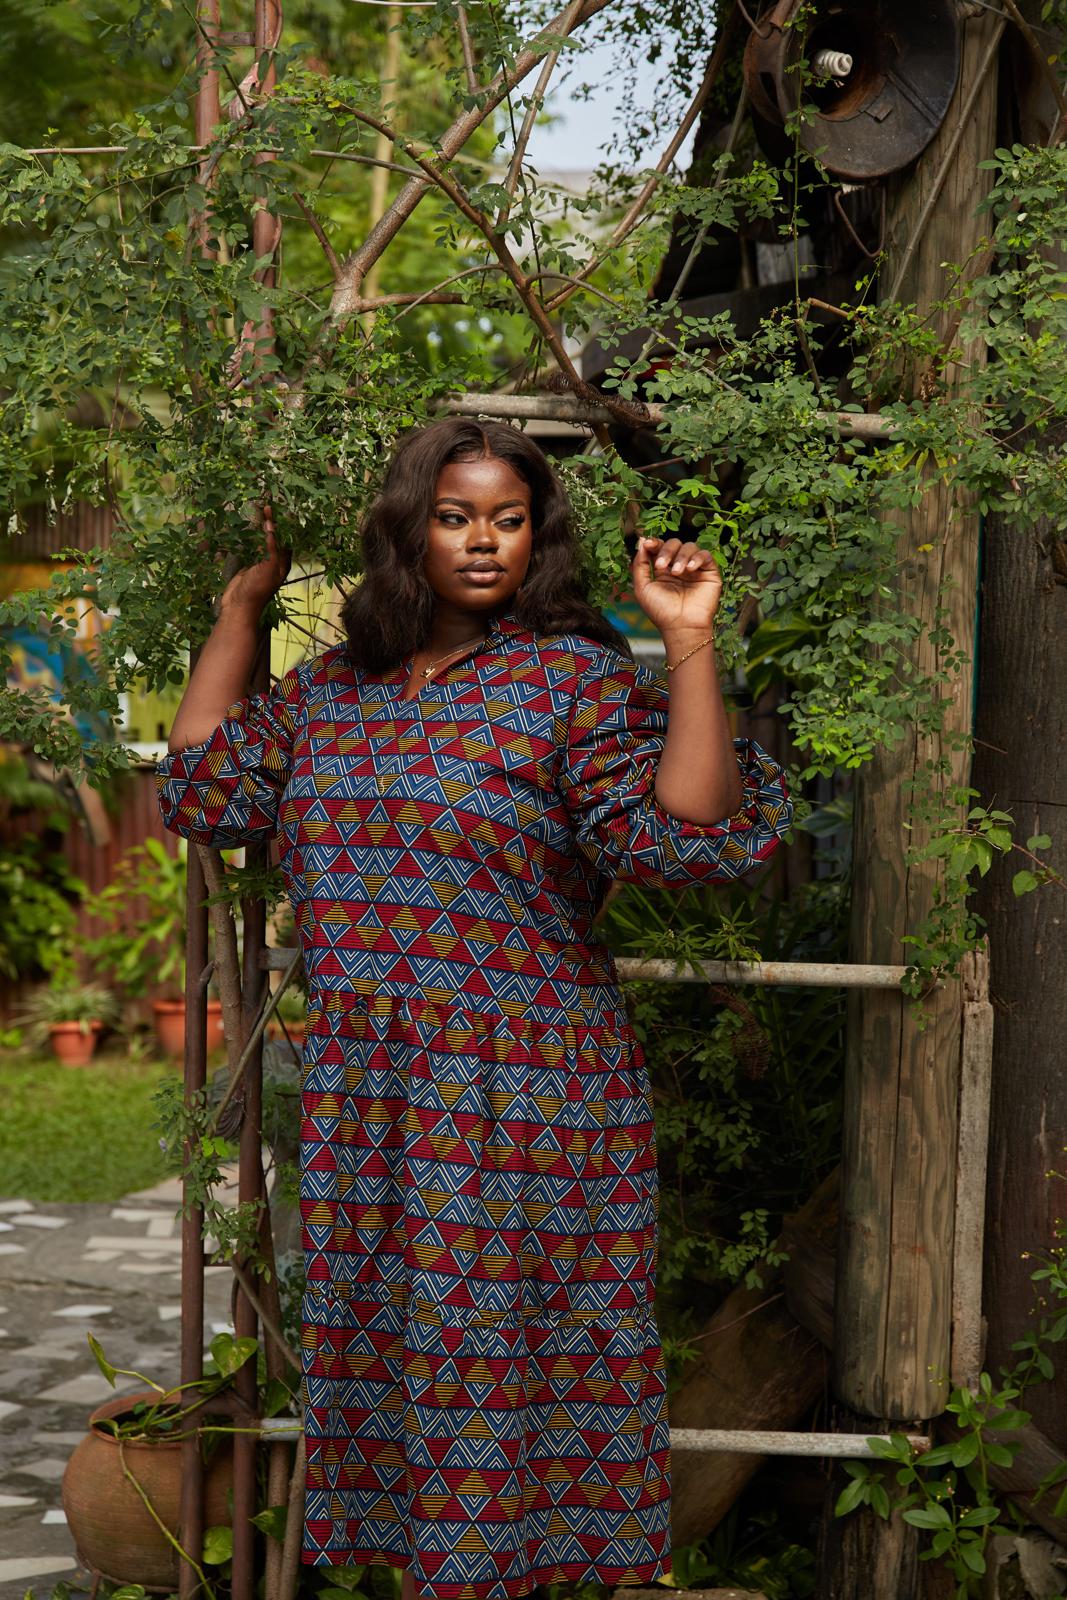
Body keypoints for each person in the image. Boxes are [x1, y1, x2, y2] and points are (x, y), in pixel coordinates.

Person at [158, 417, 792, 1599]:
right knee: (400, 1384)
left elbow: (685, 835)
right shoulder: (331, 693)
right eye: (454, 517)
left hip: (526, 1105)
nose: (484, 540)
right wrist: (244, 607)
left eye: (509, 519)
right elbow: (204, 791)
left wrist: (686, 641)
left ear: (538, 537)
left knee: (504, 1386)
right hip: (372, 1103)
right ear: (410, 531)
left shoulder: (569, 683)